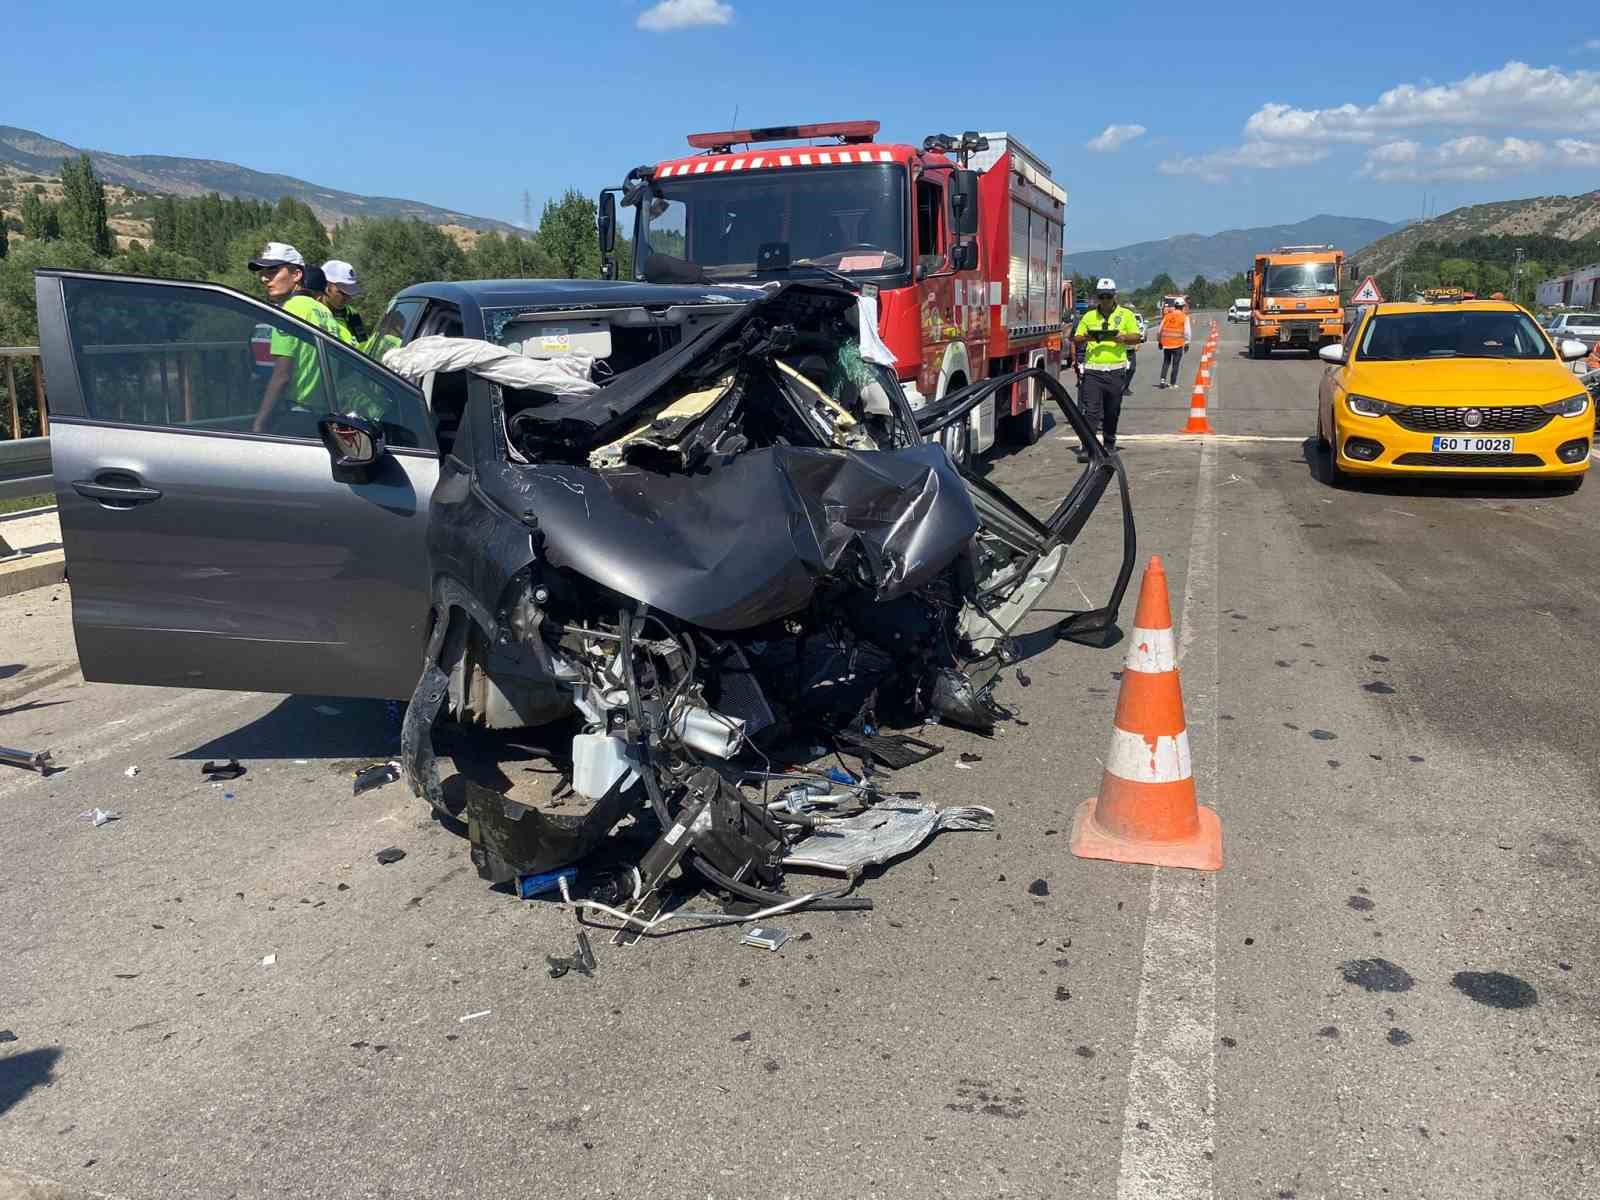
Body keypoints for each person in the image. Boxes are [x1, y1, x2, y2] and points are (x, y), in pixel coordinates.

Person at [247, 242, 345, 434]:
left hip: (296, 414)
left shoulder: (290, 310)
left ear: (297, 274)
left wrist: (260, 422)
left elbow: (282, 376)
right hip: (322, 414)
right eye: (262, 272)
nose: (265, 279)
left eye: (273, 270)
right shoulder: (323, 311)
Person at [1071, 278, 1140, 460]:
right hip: (1093, 371)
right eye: (1102, 296)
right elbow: (1076, 338)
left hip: (1115, 371)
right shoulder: (1089, 316)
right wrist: (1086, 337)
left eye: (1108, 296)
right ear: (1097, 297)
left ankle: (1109, 444)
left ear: (1114, 296)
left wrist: (1123, 338)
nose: (1105, 300)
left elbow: (1136, 337)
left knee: (1112, 411)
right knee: (1091, 411)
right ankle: (1088, 447)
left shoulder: (1126, 315)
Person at [320, 260, 367, 347]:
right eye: (342, 293)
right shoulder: (312, 310)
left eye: (350, 293)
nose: (347, 298)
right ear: (326, 285)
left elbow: (363, 345)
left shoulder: (352, 314)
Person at [1156, 298, 1192, 388]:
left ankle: (1162, 380)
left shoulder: (1167, 316)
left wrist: (1160, 341)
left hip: (1167, 344)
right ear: (1183, 306)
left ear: (1175, 306)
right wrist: (1187, 343)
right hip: (1177, 345)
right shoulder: (1184, 317)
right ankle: (1172, 383)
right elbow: (1187, 332)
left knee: (1166, 362)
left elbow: (1160, 330)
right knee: (1175, 364)